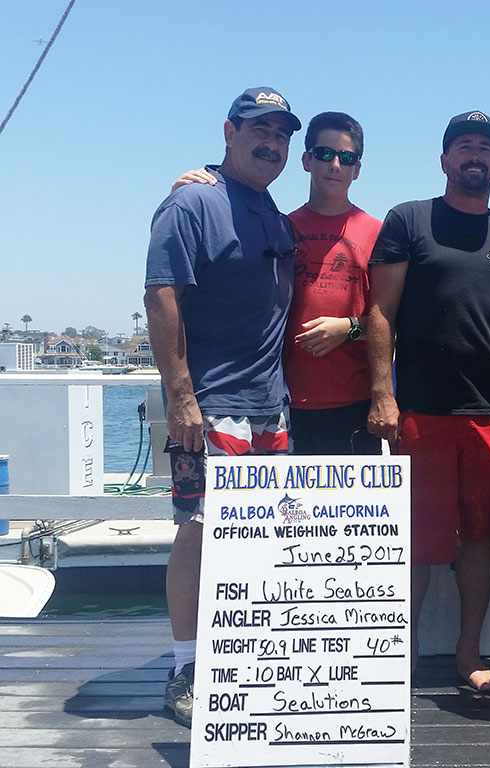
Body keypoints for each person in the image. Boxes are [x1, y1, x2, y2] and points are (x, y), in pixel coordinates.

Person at [144, 87, 301, 727]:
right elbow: (161, 296)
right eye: (259, 130)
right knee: (199, 533)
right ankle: (186, 665)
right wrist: (180, 395)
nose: (272, 143)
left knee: (262, 537)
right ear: (229, 132)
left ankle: (239, 661)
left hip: (271, 408)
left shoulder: (269, 209)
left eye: (281, 134)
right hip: (211, 407)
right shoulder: (191, 201)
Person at [365, 111, 490, 692]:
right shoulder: (410, 219)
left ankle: (468, 651)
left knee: (480, 536)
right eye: (464, 147)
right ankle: (393, 656)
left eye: (485, 147)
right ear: (444, 160)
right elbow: (379, 311)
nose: (475, 155)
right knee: (412, 540)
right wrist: (383, 392)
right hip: (420, 411)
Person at [171, 111, 383, 456]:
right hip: (286, 405)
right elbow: (229, 216)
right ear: (306, 160)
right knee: (291, 510)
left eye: (347, 158)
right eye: (324, 154)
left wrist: (349, 327)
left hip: (354, 404)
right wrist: (197, 187)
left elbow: (395, 320)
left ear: (357, 169)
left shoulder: (378, 233)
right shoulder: (280, 226)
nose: (335, 165)